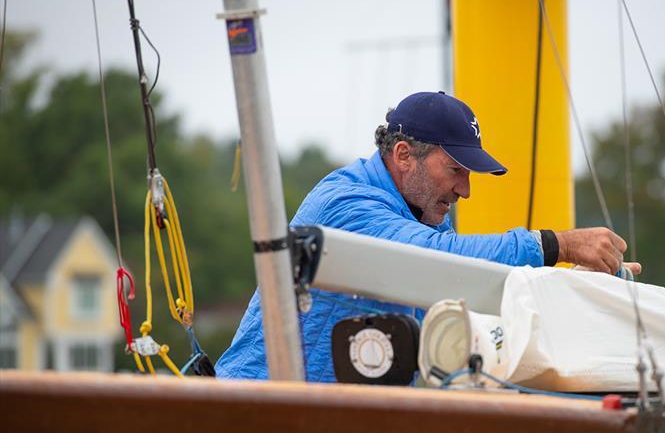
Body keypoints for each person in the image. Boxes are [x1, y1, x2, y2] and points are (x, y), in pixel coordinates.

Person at [216, 91, 640, 381]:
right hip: (256, 407)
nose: (466, 190)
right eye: (456, 170)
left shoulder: (425, 216)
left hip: (333, 423)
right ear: (403, 156)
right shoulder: (346, 203)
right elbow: (438, 263)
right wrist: (558, 245)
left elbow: (478, 302)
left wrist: (581, 286)